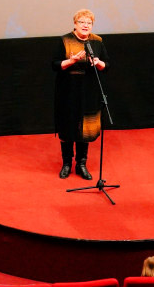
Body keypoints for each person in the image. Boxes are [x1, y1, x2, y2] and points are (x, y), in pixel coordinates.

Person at [51, 9, 108, 180]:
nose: (85, 25)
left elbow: (107, 65)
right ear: (75, 24)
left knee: (85, 128)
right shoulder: (65, 40)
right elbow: (54, 65)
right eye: (82, 22)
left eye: (89, 23)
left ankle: (81, 164)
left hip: (89, 91)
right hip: (68, 91)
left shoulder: (97, 41)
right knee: (68, 126)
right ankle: (67, 163)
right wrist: (71, 61)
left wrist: (98, 62)